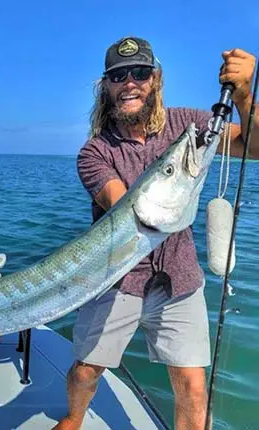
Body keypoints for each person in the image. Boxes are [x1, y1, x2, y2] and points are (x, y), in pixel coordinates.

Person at [54, 37, 258, 430]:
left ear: (156, 79)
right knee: (85, 371)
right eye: (118, 75)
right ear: (106, 86)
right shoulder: (94, 152)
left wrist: (246, 97)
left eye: (140, 72)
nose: (129, 82)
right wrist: (168, 181)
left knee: (193, 386)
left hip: (179, 277)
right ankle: (74, 419)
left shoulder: (189, 126)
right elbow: (126, 208)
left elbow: (254, 146)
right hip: (116, 277)